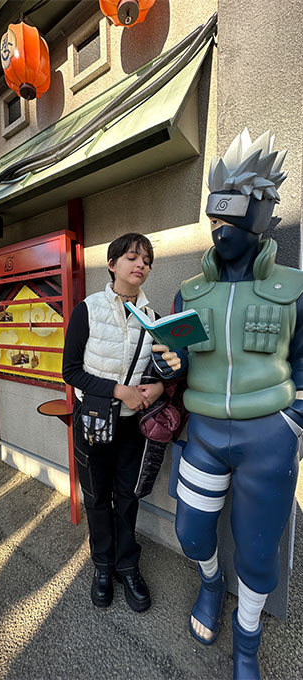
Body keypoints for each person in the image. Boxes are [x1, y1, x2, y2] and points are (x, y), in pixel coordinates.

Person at [168, 129, 297, 680]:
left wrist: (294, 418)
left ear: (262, 213)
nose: (220, 229)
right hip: (202, 433)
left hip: (268, 435)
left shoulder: (295, 289)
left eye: (232, 215)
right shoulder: (190, 292)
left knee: (260, 552)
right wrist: (163, 366)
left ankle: (248, 643)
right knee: (192, 533)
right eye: (214, 217)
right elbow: (170, 364)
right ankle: (209, 580)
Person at [62, 233, 167, 613]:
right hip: (93, 420)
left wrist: (156, 389)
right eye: (132, 257)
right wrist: (118, 391)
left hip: (131, 427)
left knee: (128, 496)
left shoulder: (153, 318)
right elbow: (70, 371)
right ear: (112, 264)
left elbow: (161, 370)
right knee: (96, 498)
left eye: (146, 261)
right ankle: (103, 567)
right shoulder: (87, 310)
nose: (141, 265)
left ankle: (128, 565)